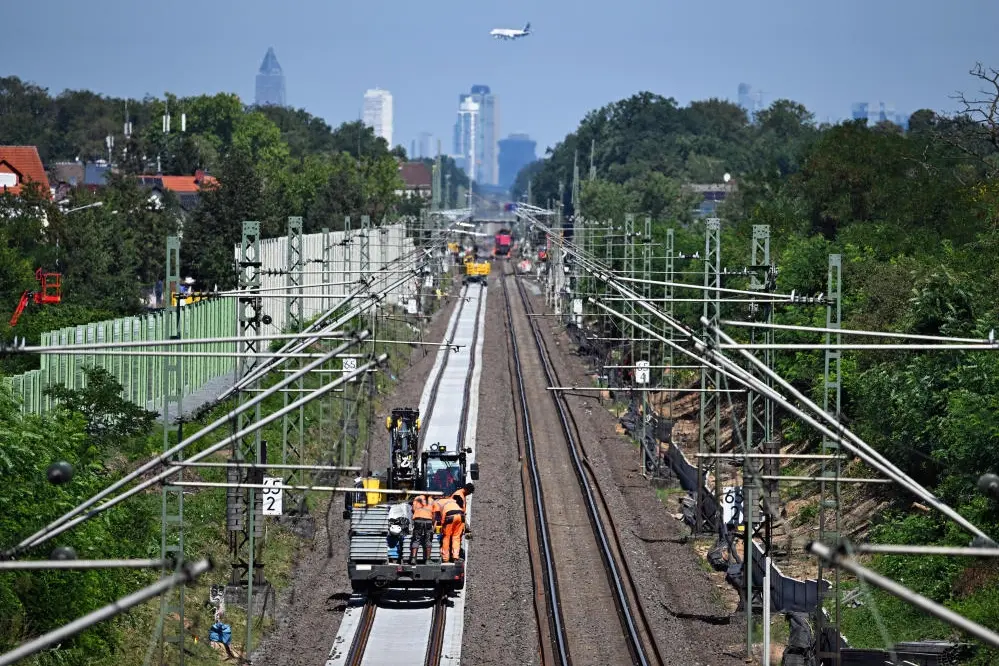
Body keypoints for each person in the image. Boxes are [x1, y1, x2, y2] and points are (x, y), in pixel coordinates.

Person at [436, 495, 465, 563]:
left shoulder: (438, 502)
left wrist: (442, 525)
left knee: (446, 537)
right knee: (456, 537)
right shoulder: (453, 501)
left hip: (450, 516)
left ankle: (445, 558)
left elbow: (441, 515)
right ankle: (455, 557)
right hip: (461, 516)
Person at [409, 493, 435, 564]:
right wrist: (432, 523)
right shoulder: (432, 500)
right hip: (428, 521)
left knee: (416, 539)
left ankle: (413, 559)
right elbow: (434, 514)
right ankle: (428, 560)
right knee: (428, 539)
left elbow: (413, 509)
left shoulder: (417, 498)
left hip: (418, 520)